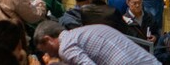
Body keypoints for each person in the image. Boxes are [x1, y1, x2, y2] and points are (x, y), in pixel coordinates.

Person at [35, 21, 163, 65]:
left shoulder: (65, 47)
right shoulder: (82, 32)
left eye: (45, 50)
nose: (47, 55)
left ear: (48, 40)